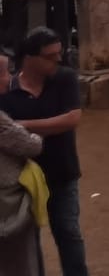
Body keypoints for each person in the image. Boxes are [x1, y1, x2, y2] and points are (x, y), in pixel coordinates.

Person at [0, 28, 84, 276]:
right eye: (50, 55)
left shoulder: (65, 78)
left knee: (69, 232)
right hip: (25, 180)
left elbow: (71, 119)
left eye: (59, 53)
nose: (57, 59)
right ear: (29, 58)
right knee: (28, 241)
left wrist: (18, 127)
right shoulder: (7, 92)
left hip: (62, 170)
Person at [0, 49, 48, 276]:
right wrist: (29, 132)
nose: (9, 78)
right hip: (8, 206)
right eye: (4, 73)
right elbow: (32, 145)